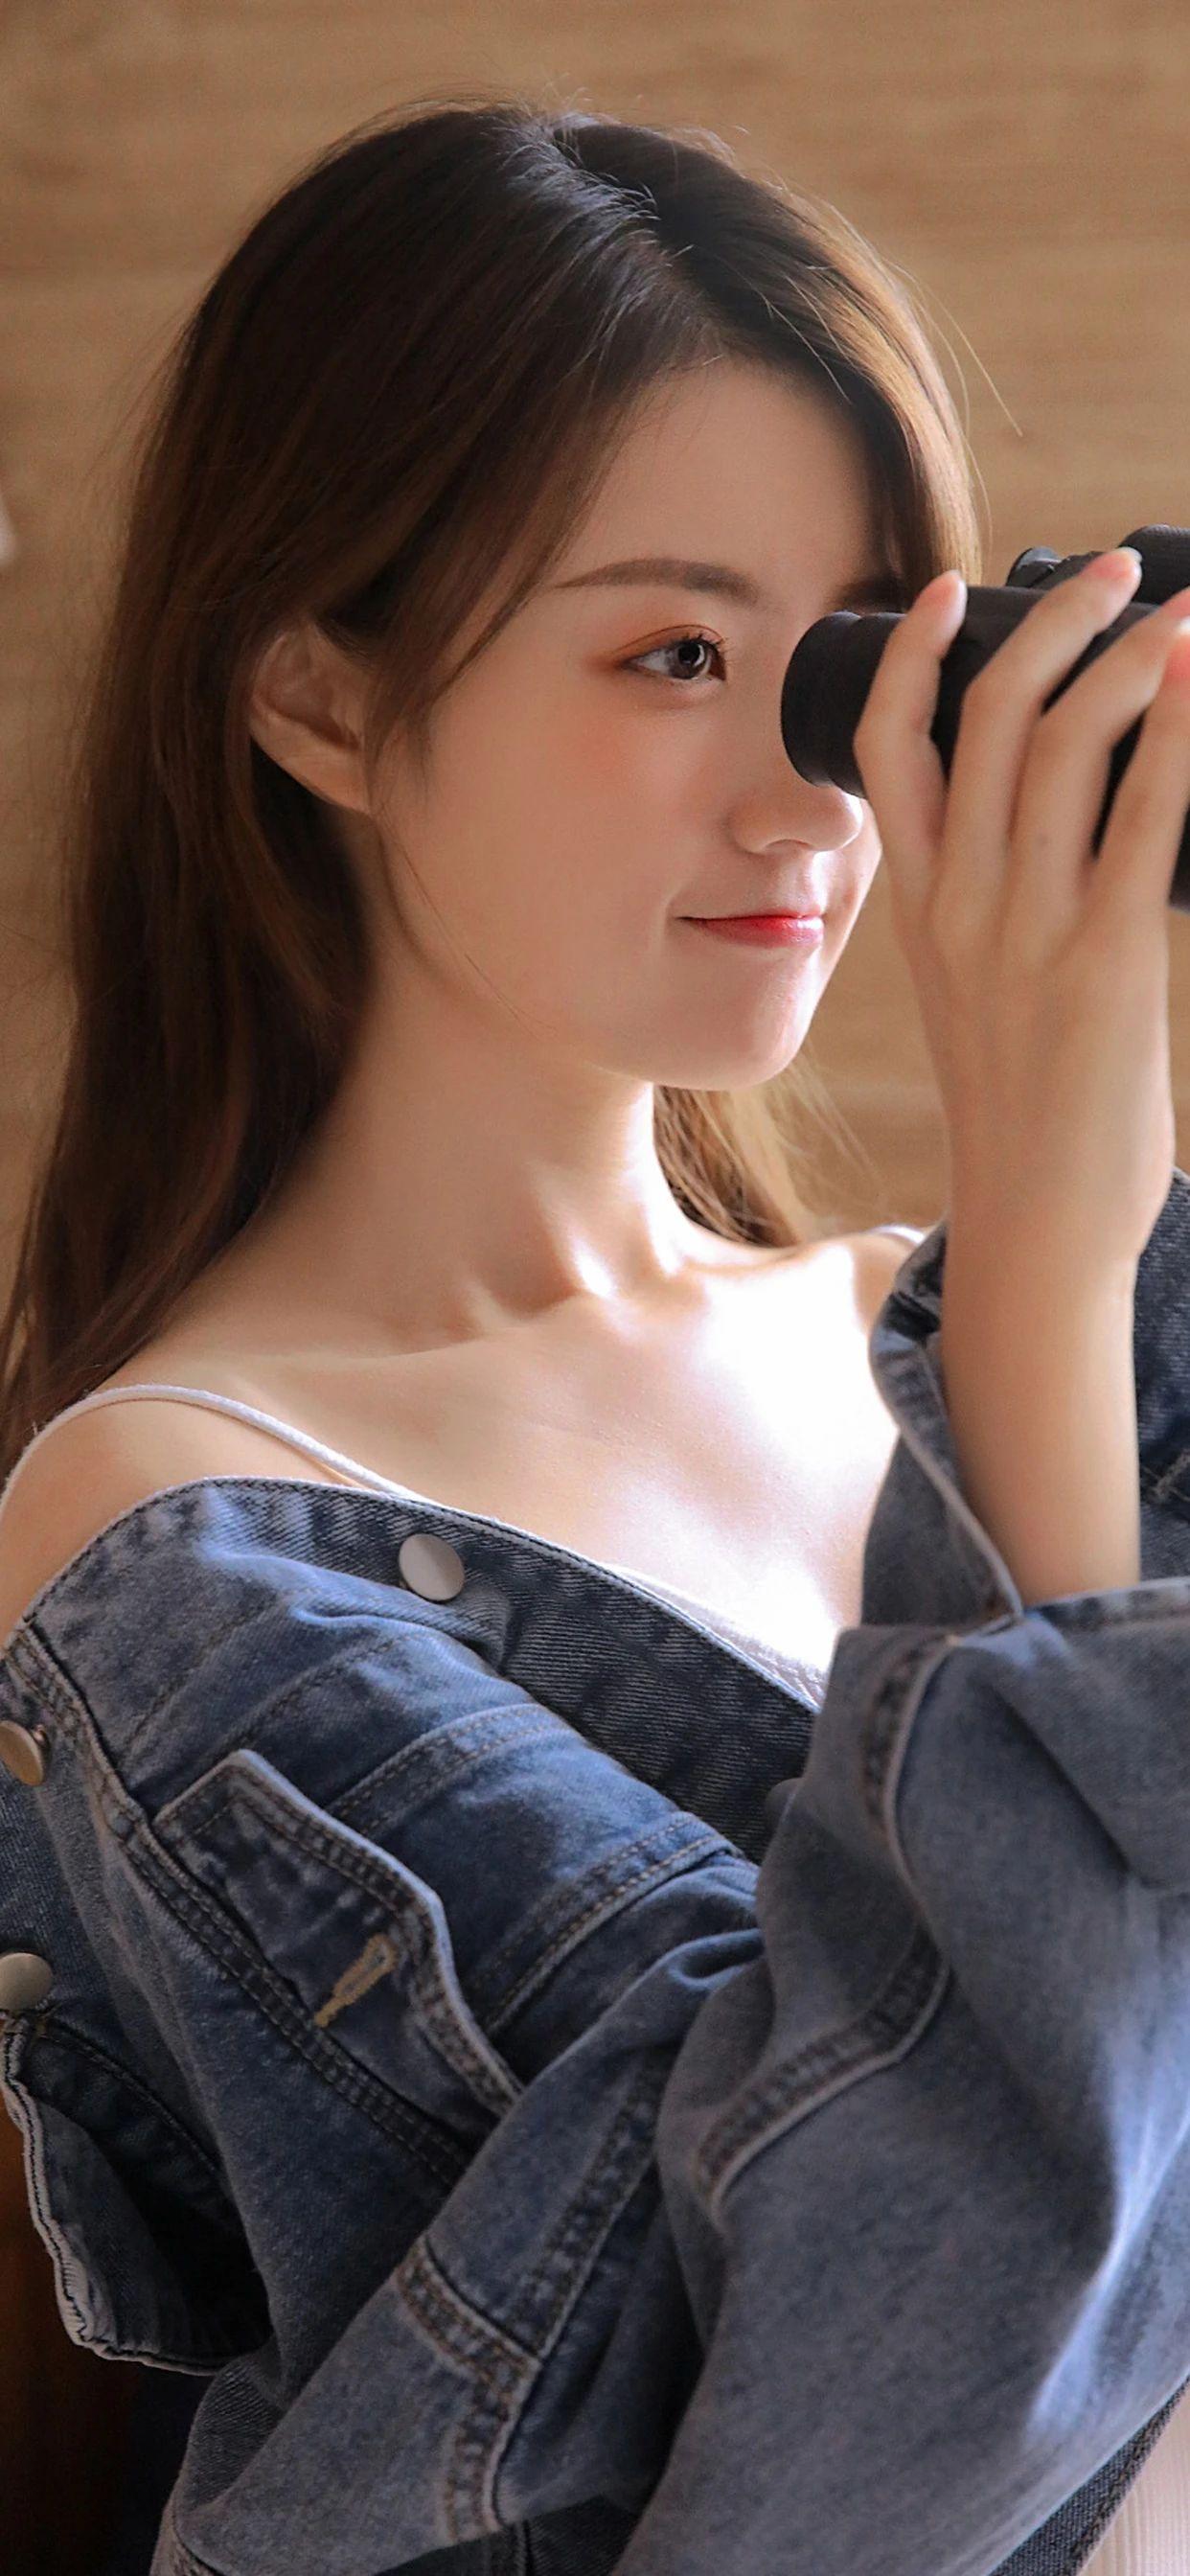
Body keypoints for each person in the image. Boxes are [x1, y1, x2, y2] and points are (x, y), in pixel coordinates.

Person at [2, 97, 1190, 2576]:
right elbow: (859, 2419)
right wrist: (1052, 1261)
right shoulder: (181, 1547)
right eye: (673, 654)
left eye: (862, 660)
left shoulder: (967, 1315)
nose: (812, 794)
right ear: (319, 699)